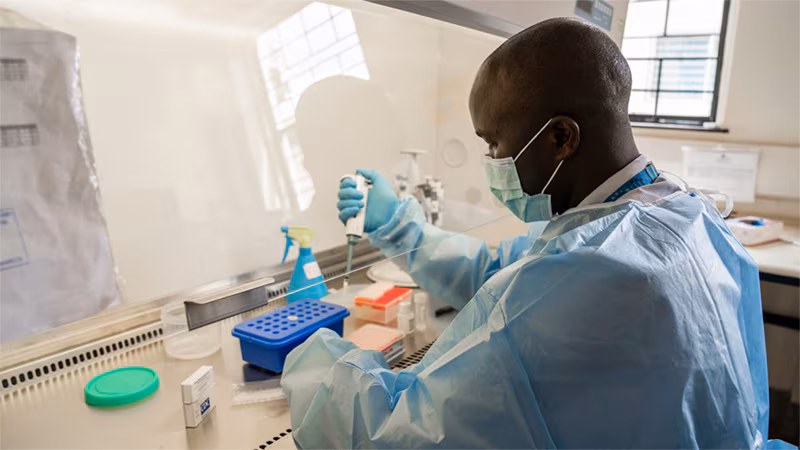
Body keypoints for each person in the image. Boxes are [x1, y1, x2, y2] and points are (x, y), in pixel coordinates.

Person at [281, 18, 774, 448]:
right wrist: (400, 226)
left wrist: (314, 364)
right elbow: (504, 274)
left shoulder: (596, 276)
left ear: (561, 138)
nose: (492, 163)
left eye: (494, 142)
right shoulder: (681, 215)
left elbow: (398, 434)